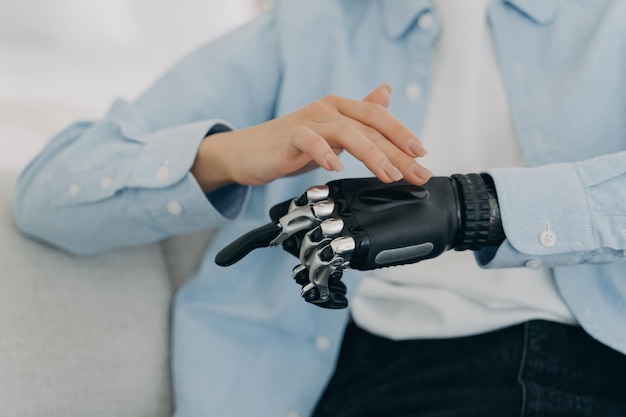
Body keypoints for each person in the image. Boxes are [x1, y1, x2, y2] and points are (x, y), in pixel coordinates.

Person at [13, 0, 626, 415]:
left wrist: (475, 207)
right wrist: (225, 155)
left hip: (566, 358)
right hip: (312, 379)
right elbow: (48, 191)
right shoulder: (306, 27)